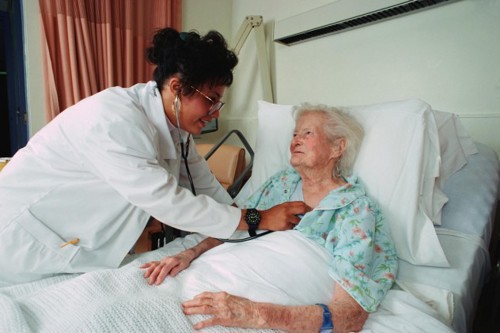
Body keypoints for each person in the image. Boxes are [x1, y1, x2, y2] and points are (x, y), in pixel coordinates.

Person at [0, 28, 309, 286]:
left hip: (70, 243)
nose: (214, 113)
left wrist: (247, 218)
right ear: (177, 87)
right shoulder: (113, 120)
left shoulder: (177, 132)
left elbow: (206, 188)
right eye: (210, 100)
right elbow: (170, 203)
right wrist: (258, 218)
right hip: (22, 239)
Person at [141, 103, 398, 333]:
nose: (295, 141)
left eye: (307, 133)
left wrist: (257, 314)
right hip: (216, 273)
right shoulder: (281, 182)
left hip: (259, 301)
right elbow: (240, 223)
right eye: (294, 133)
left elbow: (349, 317)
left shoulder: (355, 209)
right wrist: (189, 253)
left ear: (337, 147)